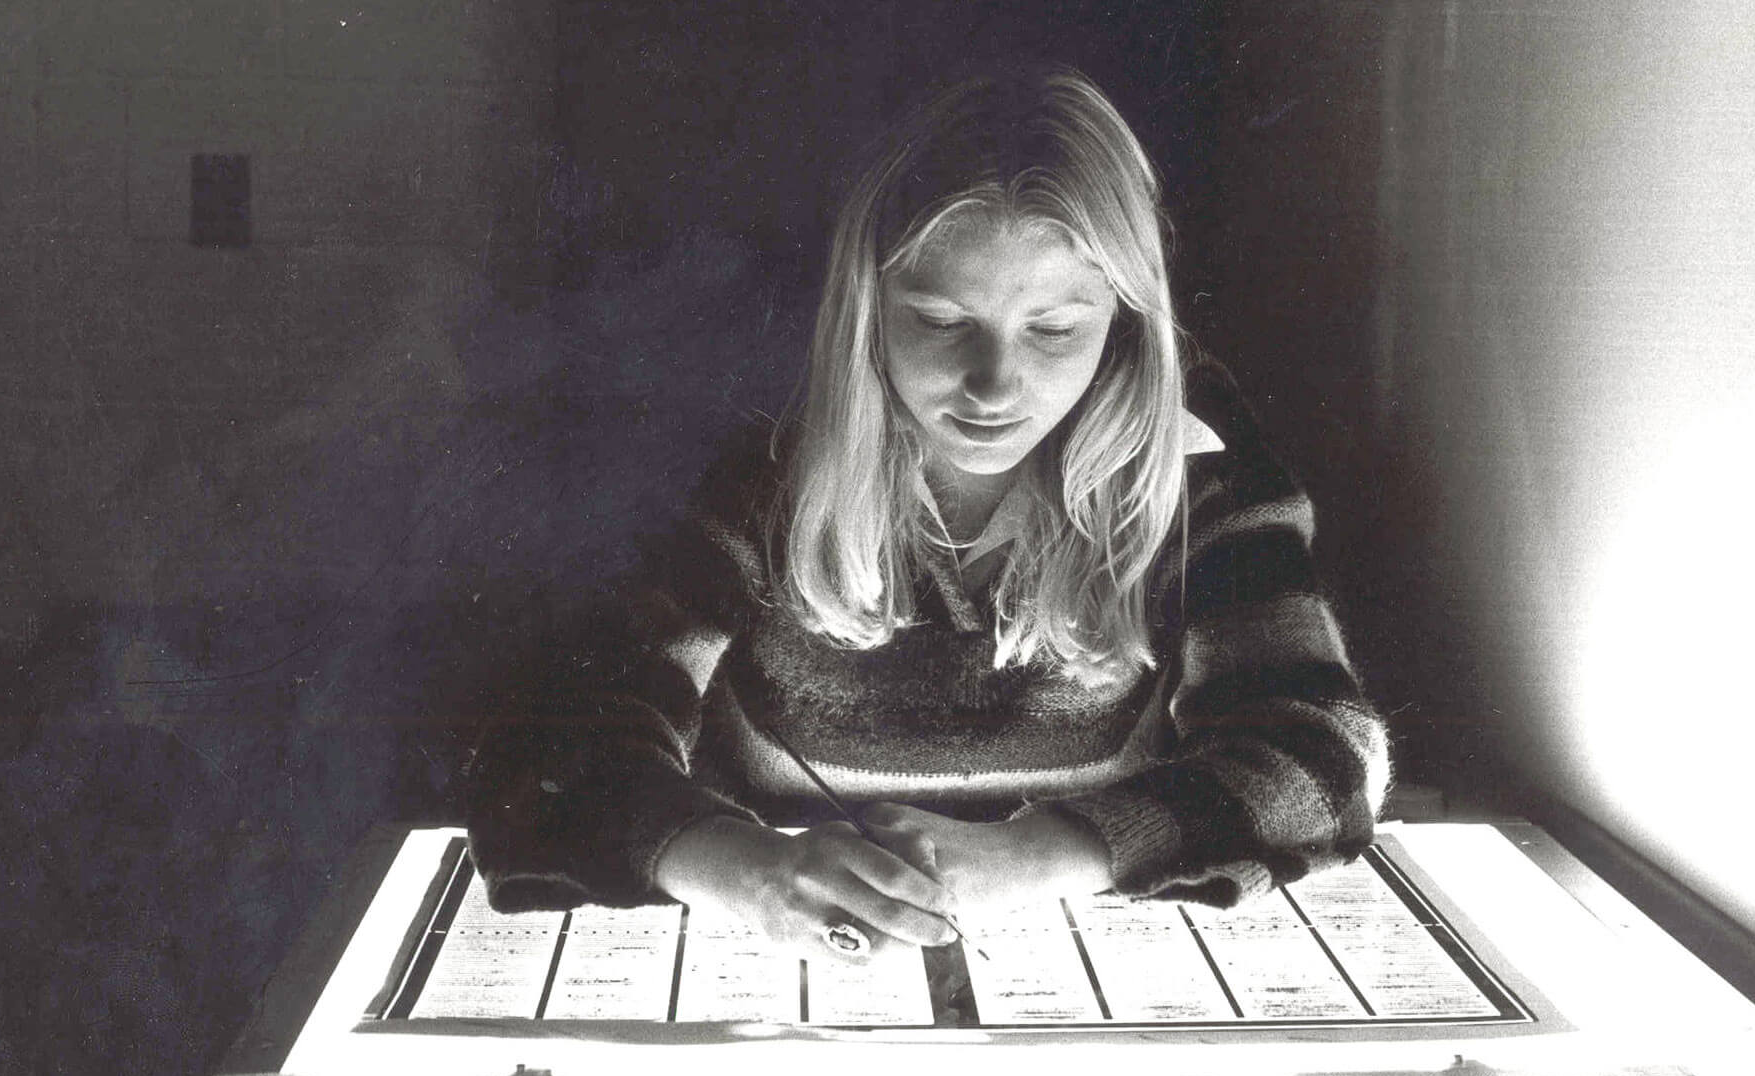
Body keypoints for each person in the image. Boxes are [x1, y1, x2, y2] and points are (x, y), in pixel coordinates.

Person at [466, 66, 1389, 963]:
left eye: (1054, 330)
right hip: (780, 949)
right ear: (865, 310)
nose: (994, 385)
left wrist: (1035, 857)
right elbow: (549, 743)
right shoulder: (758, 459)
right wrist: (748, 872)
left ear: (1126, 321)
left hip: (1072, 932)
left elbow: (1320, 757)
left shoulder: (1200, 465)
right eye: (942, 322)